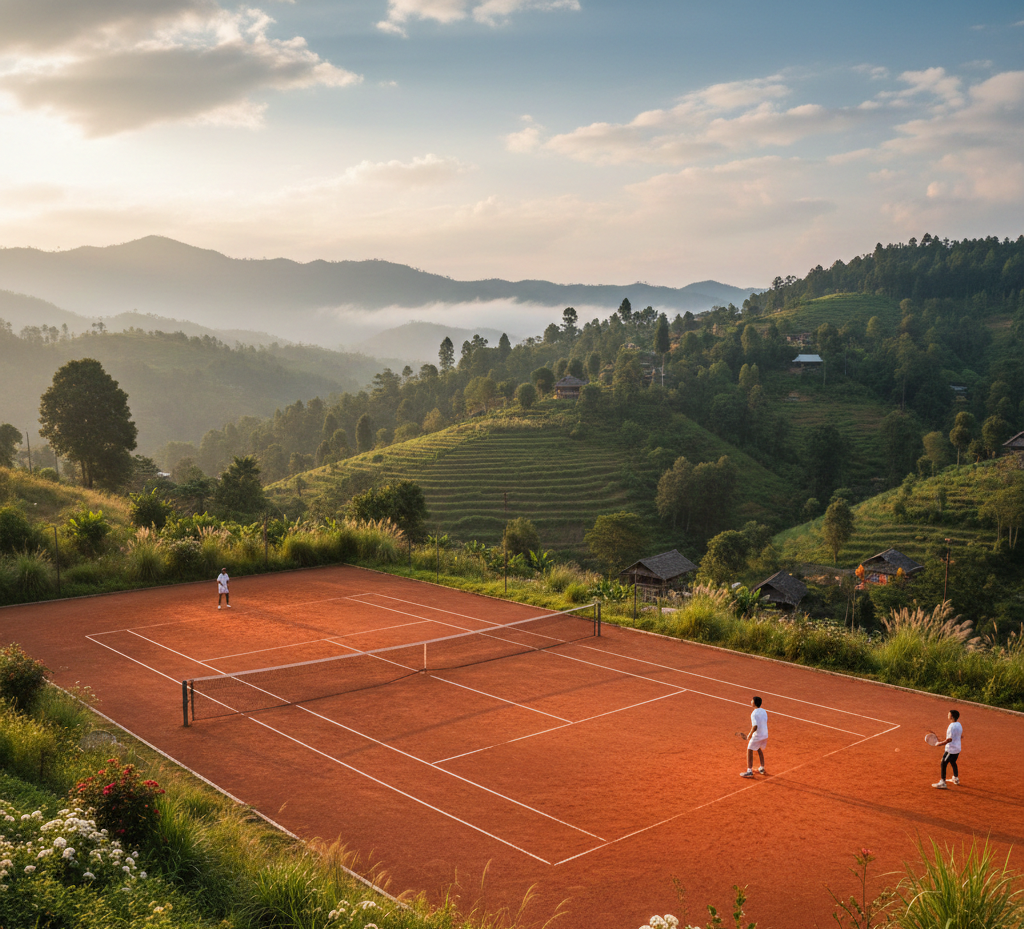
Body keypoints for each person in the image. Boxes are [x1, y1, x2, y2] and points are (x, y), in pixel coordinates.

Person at [932, 709, 962, 789]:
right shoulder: (959, 724)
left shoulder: (951, 726)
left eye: (949, 714)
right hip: (957, 748)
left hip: (951, 750)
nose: (947, 715)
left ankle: (942, 782)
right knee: (953, 762)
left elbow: (949, 740)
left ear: (951, 716)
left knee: (943, 763)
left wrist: (940, 743)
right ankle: (955, 778)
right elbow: (959, 735)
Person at [740, 695, 768, 778]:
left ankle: (749, 771)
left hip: (758, 735)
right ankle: (762, 768)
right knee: (758, 748)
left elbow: (755, 726)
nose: (751, 701)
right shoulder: (764, 711)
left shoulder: (753, 713)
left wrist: (749, 735)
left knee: (749, 749)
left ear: (754, 703)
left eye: (752, 700)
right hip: (765, 734)